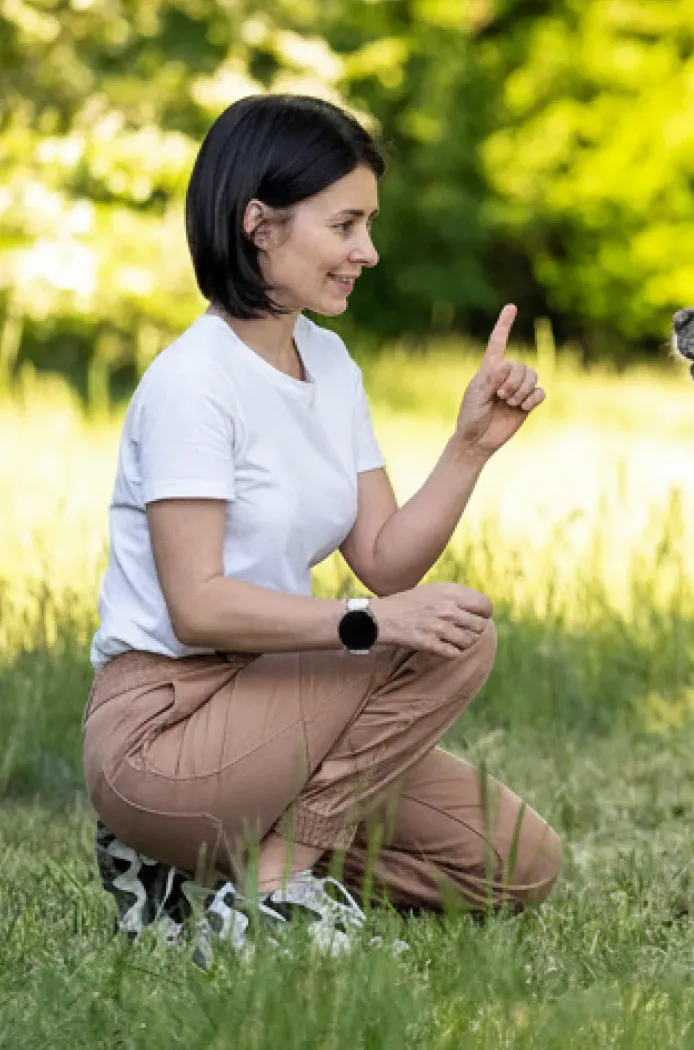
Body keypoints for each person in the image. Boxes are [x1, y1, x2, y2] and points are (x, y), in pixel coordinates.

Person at [82, 93, 562, 967]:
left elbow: (385, 563)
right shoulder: (196, 383)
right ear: (259, 224)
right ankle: (268, 886)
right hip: (166, 729)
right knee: (452, 639)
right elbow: (198, 607)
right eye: (345, 225)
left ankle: (211, 866)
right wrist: (367, 627)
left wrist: (467, 450)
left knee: (516, 863)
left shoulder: (329, 362)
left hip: (278, 709)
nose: (367, 252)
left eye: (368, 224)